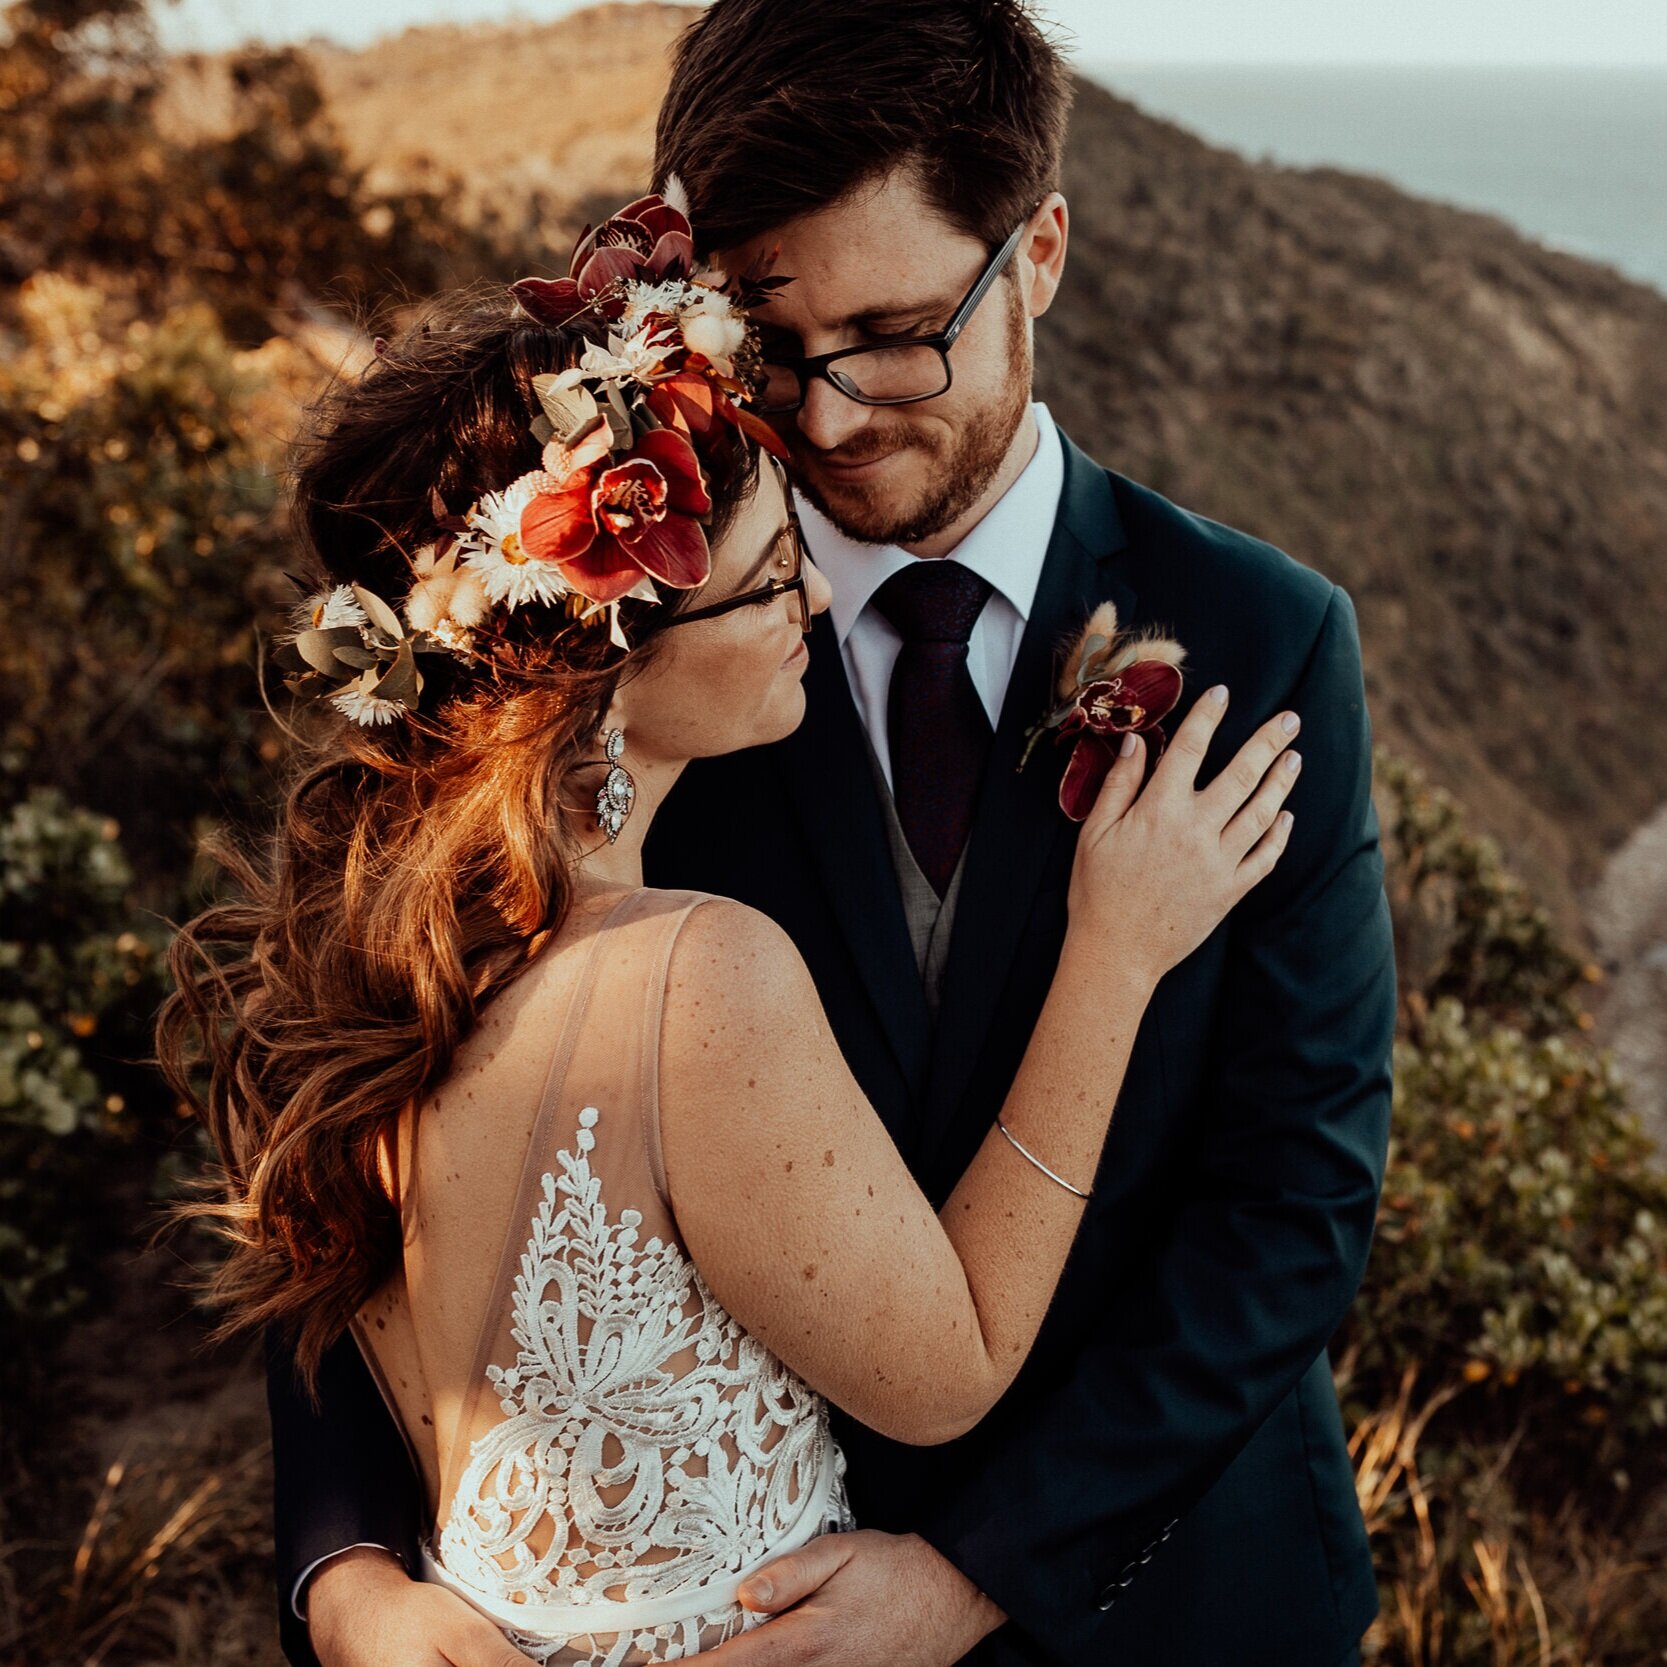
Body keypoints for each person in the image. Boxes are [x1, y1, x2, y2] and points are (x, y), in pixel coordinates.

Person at [262, 3, 1397, 1665]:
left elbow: (1292, 1197)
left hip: (1168, 1599)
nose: (840, 417)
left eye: (897, 334)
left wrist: (975, 1572)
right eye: (779, 348)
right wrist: (349, 1575)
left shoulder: (1258, 636)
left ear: (1043, 254)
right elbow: (381, 1101)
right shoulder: (621, 647)